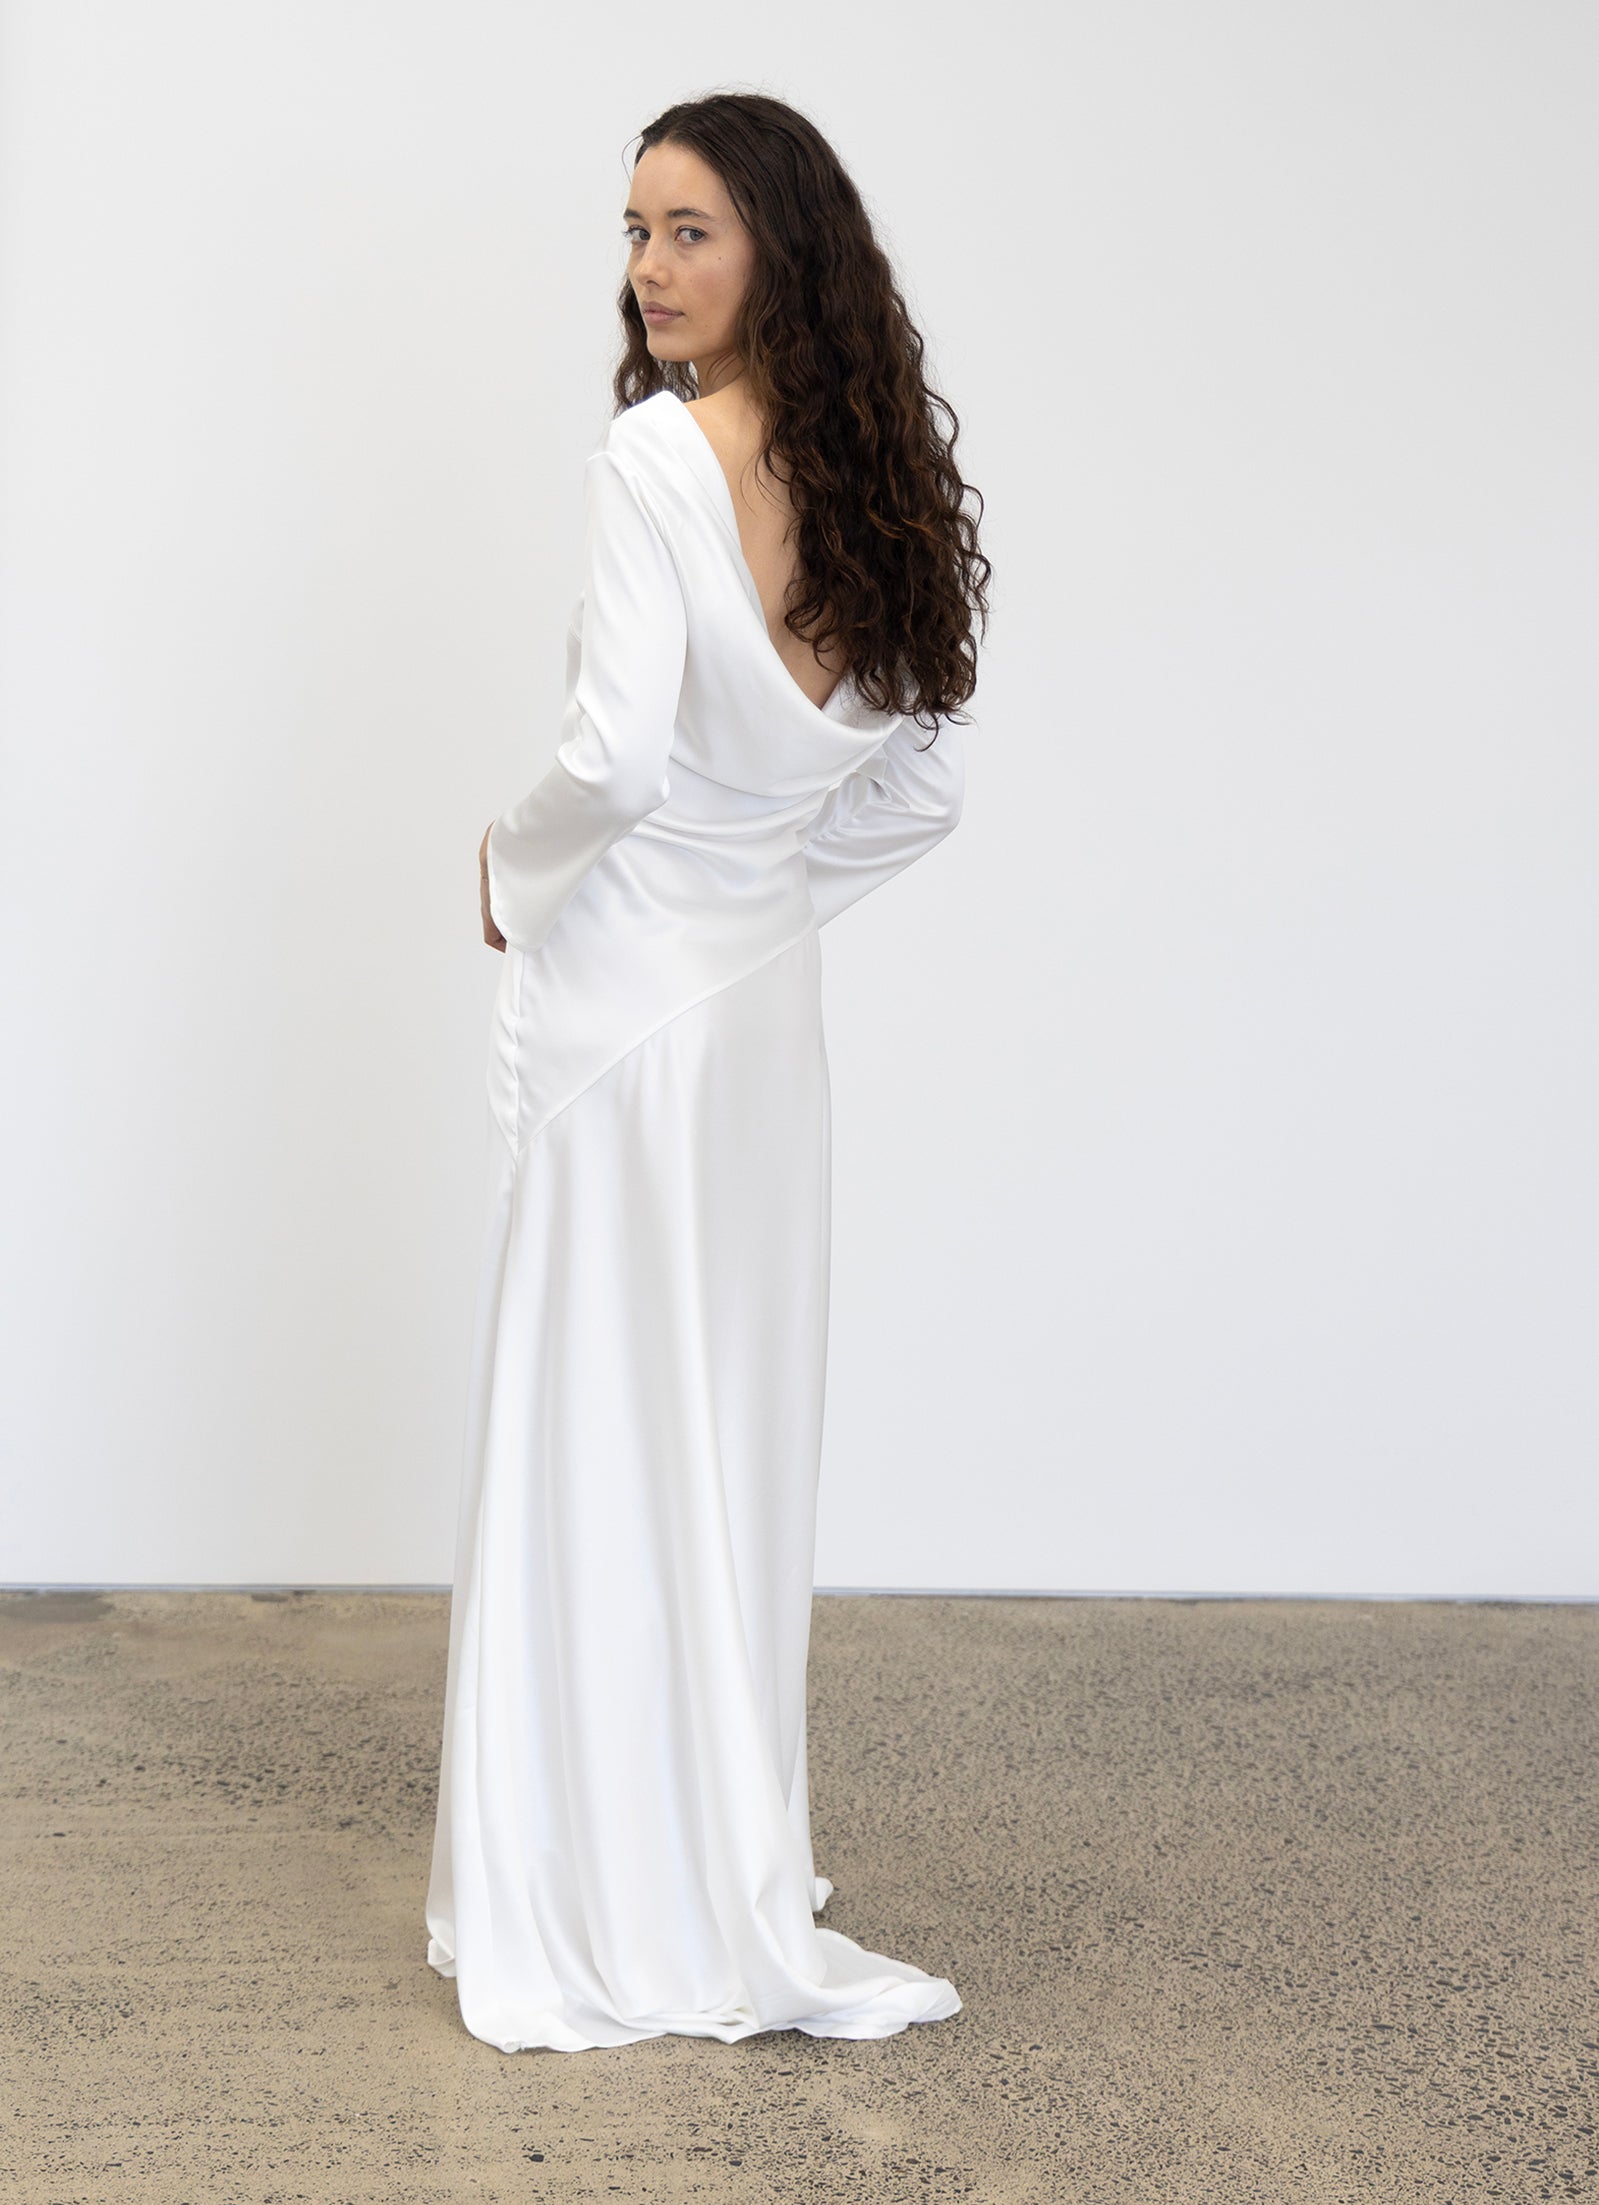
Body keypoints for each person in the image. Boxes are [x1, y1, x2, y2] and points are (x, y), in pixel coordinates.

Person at [425, 90, 990, 2054]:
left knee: (601, 1420)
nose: (649, 269)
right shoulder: (864, 479)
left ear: (776, 252)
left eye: (689, 232)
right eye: (636, 231)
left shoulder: (655, 458)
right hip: (757, 1023)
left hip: (629, 1026)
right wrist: (759, 894)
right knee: (729, 1428)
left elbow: (611, 759)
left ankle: (600, 1877)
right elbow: (918, 781)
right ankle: (711, 1856)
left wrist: (506, 870)